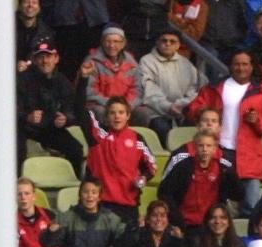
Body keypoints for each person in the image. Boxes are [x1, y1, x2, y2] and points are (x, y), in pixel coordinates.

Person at [186, 49, 262, 213]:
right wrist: (205, 115)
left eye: (245, 64)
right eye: (236, 64)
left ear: (252, 66)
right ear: (230, 66)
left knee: (251, 206)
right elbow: (193, 109)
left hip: (249, 154)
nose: (241, 68)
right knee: (217, 203)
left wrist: (257, 120)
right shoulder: (214, 87)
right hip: (219, 150)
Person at [82, 96, 157, 225]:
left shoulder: (137, 139)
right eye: (112, 113)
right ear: (107, 117)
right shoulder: (98, 135)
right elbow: (80, 111)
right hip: (102, 205)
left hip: (129, 206)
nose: (117, 116)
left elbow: (151, 166)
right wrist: (82, 84)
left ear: (128, 116)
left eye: (121, 112)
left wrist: (144, 178)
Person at [16, 39, 86, 174]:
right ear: (34, 60)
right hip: (24, 126)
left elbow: (72, 108)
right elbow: (12, 108)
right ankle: (18, 183)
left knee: (76, 149)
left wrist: (65, 119)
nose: (44, 61)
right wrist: (27, 117)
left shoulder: (62, 81)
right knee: (17, 150)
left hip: (49, 128)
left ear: (56, 58)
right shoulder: (22, 80)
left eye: (48, 56)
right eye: (40, 57)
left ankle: (76, 183)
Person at [157, 129, 243, 233]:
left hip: (212, 226)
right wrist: (177, 219)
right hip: (186, 224)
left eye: (208, 146)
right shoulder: (183, 167)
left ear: (215, 148)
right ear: (194, 147)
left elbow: (238, 195)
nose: (205, 149)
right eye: (201, 146)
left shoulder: (223, 169)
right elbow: (164, 193)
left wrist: (231, 175)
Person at [137, 31, 204, 143]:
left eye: (172, 41)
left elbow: (194, 89)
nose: (168, 44)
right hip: (155, 109)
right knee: (162, 128)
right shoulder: (146, 61)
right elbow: (149, 89)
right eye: (164, 40)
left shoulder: (186, 63)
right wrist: (168, 106)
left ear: (178, 45)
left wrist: (181, 104)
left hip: (182, 109)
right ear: (157, 43)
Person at [79, 25, 142, 125]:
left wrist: (126, 105)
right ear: (102, 42)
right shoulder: (92, 61)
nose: (111, 45)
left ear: (123, 44)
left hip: (126, 105)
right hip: (102, 105)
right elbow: (90, 92)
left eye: (116, 41)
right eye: (108, 41)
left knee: (145, 114)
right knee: (103, 113)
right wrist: (113, 106)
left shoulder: (131, 62)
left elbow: (137, 89)